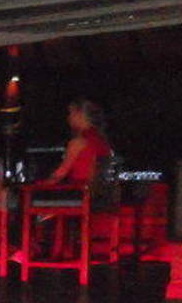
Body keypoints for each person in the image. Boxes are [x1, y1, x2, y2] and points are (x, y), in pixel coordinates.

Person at [24, 98, 115, 260]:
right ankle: (57, 247)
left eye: (71, 113)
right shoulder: (103, 142)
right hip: (99, 195)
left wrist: (37, 185)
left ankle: (30, 248)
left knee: (26, 199)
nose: (68, 118)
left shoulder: (79, 142)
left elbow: (60, 174)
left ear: (80, 115)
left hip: (79, 194)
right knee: (44, 201)